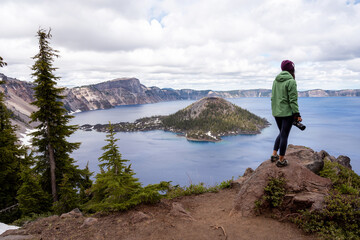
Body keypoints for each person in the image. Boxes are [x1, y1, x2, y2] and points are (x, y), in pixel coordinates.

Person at [271, 60, 302, 167]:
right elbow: (293, 100)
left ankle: (274, 154)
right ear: (292, 69)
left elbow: (273, 97)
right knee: (284, 135)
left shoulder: (276, 80)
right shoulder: (291, 81)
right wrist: (297, 114)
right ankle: (281, 160)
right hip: (287, 113)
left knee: (281, 133)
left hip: (276, 112)